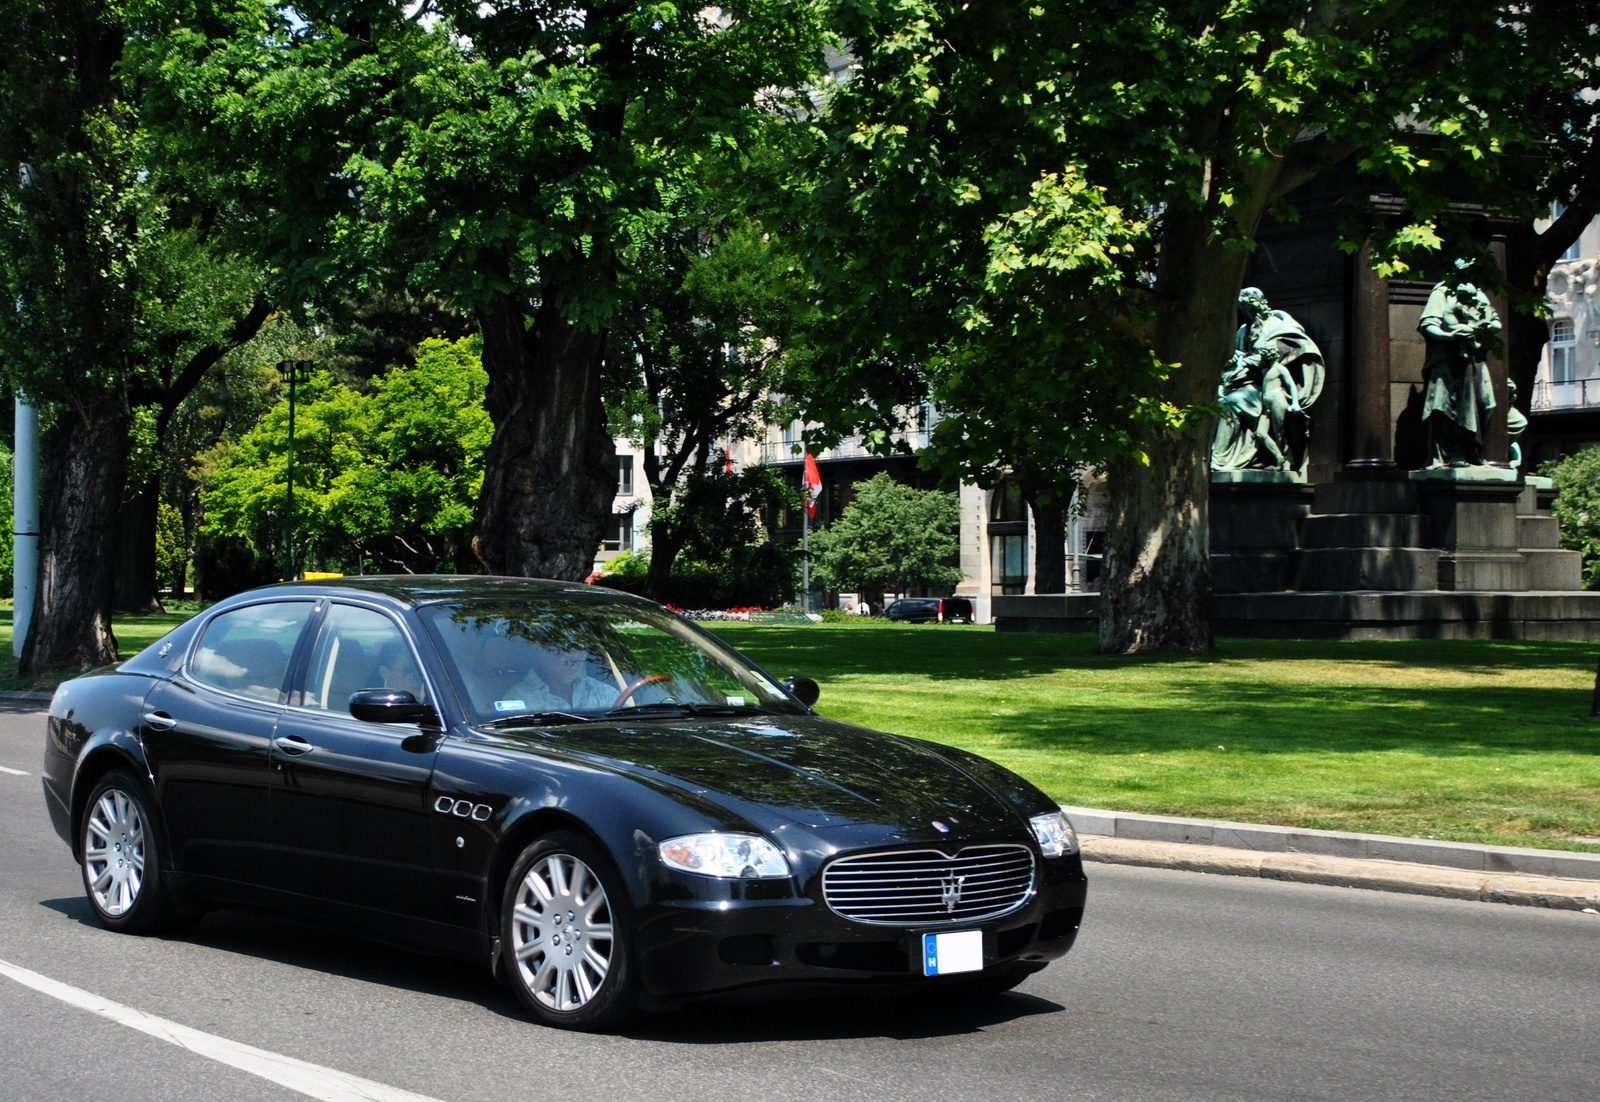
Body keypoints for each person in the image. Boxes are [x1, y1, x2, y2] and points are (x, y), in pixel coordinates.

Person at [502, 644, 617, 713]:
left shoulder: (598, 690)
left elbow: (626, 716)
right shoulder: (519, 699)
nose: (575, 659)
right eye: (565, 651)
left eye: (579, 651)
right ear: (542, 654)